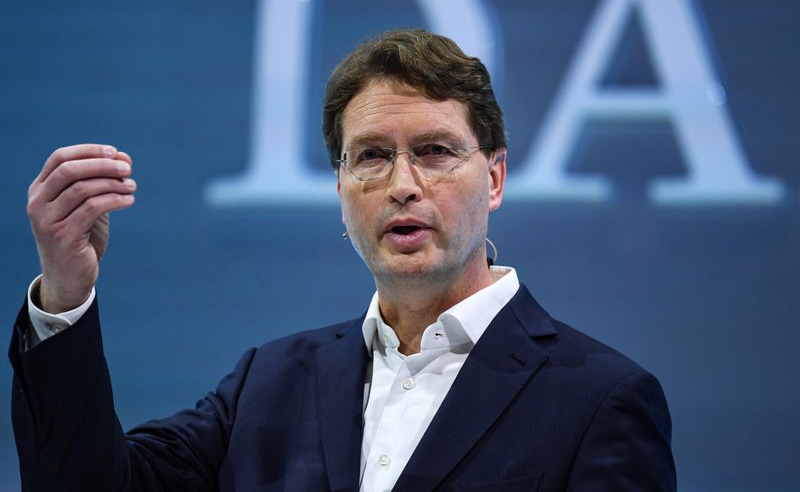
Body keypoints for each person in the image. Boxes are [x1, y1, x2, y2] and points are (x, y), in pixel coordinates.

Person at [10, 29, 676, 491]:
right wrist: (66, 290)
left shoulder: (599, 399)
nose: (403, 184)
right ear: (340, 190)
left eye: (437, 151)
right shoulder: (267, 383)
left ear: (496, 179)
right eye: (372, 156)